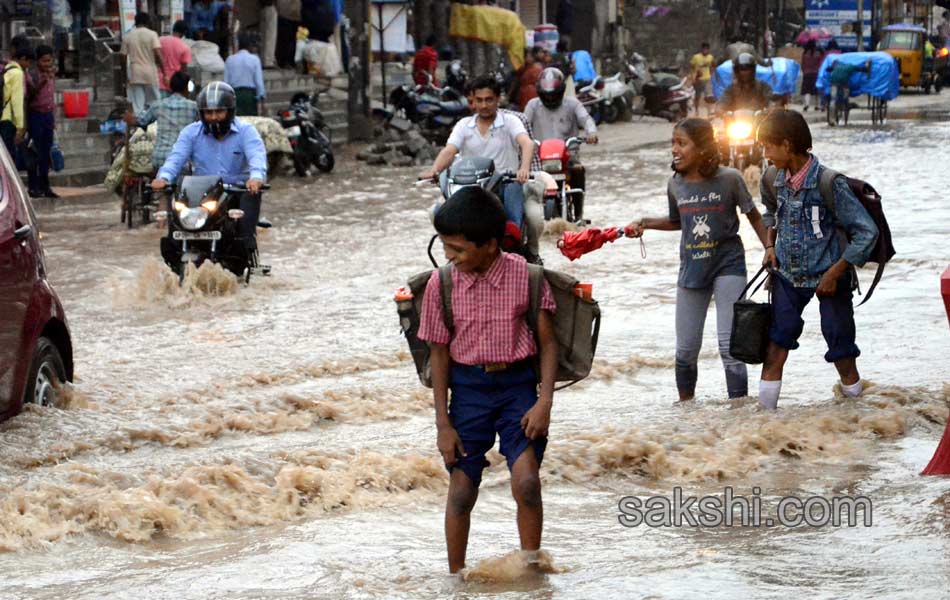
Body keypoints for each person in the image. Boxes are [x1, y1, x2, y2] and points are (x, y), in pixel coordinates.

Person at [417, 185, 558, 574]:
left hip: (517, 389)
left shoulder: (527, 278)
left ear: (491, 245)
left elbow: (548, 345)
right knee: (461, 492)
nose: (449, 256)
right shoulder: (440, 284)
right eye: (445, 246)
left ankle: (532, 571)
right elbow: (439, 354)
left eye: (458, 249)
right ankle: (456, 579)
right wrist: (443, 424)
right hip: (468, 392)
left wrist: (543, 402)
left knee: (527, 482)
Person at [624, 118, 770, 401]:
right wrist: (645, 223)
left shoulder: (730, 179)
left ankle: (738, 410)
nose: (674, 149)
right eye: (673, 143)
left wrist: (769, 249)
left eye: (681, 143)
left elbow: (753, 215)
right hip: (692, 268)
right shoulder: (674, 184)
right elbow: (679, 221)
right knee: (686, 350)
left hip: (728, 264)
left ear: (702, 148)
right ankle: (686, 408)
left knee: (729, 346)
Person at [756, 110, 879, 410]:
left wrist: (836, 272)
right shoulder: (772, 178)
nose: (764, 154)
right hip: (787, 275)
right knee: (775, 347)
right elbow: (770, 212)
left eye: (768, 147)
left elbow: (866, 232)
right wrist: (770, 245)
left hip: (828, 277)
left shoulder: (829, 183)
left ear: (787, 145)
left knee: (841, 350)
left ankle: (857, 417)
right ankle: (762, 424)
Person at [152, 81, 267, 262]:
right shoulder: (190, 132)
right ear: (201, 113)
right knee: (176, 223)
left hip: (238, 191)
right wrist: (163, 178)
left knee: (244, 235)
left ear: (230, 111)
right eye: (208, 112)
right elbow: (176, 158)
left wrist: (256, 178)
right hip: (203, 193)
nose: (213, 117)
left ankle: (244, 256)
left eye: (219, 112)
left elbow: (257, 158)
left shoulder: (247, 132)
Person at [420, 75, 535, 249]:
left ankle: (525, 250)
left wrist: (524, 169)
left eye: (489, 100)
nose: (483, 105)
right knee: (437, 213)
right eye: (479, 100)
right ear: (472, 101)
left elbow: (526, 143)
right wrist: (434, 170)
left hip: (505, 184)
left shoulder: (511, 121)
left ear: (498, 99)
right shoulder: (463, 125)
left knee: (523, 220)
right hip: (470, 187)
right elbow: (450, 150)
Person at [523, 67, 597, 220]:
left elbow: (586, 119)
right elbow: (522, 125)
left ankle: (578, 213)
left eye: (553, 95)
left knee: (578, 170)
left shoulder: (573, 104)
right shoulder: (532, 106)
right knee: (526, 179)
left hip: (568, 157)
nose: (550, 99)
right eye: (547, 95)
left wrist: (592, 133)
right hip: (540, 159)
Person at [125, 71, 199, 174]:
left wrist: (130, 118)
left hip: (159, 158)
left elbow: (141, 121)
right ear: (187, 87)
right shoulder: (194, 107)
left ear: (171, 87)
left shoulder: (158, 105)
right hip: (183, 160)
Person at [24, 45, 57, 198]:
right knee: (34, 152)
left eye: (49, 61)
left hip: (48, 116)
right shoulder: (32, 74)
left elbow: (52, 97)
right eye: (44, 61)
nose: (47, 64)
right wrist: (44, 80)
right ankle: (33, 186)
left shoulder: (51, 74)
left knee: (46, 152)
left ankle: (45, 185)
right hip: (35, 115)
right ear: (37, 61)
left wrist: (53, 119)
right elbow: (30, 94)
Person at [122, 13, 165, 115]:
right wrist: (164, 72)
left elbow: (123, 57)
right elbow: (158, 54)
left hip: (135, 72)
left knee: (138, 104)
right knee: (155, 101)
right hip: (150, 72)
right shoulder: (152, 34)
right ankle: (154, 124)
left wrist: (124, 75)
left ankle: (139, 127)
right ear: (148, 22)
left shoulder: (128, 36)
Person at [1, 45, 32, 158]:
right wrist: (20, 127)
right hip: (7, 120)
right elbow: (17, 102)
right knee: (9, 157)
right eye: (28, 62)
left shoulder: (5, 69)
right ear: (23, 58)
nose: (28, 66)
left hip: (1, 117)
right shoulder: (18, 73)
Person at [224, 34, 266, 116]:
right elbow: (259, 82)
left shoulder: (230, 60)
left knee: (236, 121)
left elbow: (226, 83)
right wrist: (262, 100)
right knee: (250, 122)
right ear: (249, 46)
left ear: (238, 46)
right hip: (250, 96)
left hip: (234, 95)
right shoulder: (254, 59)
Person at [159, 21, 192, 99]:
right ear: (183, 33)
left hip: (160, 81)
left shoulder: (160, 41)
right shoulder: (184, 47)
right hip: (176, 84)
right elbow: (184, 68)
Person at [509, 46, 545, 111]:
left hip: (531, 96)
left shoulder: (536, 69)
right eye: (527, 56)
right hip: (524, 97)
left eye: (530, 56)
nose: (529, 58)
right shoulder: (523, 69)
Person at [689, 42, 714, 116]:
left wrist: (712, 74)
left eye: (707, 49)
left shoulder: (710, 57)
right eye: (704, 49)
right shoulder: (696, 57)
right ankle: (696, 110)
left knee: (708, 96)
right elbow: (691, 66)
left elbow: (712, 66)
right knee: (697, 96)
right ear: (701, 49)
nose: (705, 51)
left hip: (707, 79)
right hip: (698, 79)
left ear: (708, 50)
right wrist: (693, 75)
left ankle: (709, 112)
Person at [800, 40, 824, 112]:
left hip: (807, 74)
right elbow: (820, 64)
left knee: (807, 90)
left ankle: (807, 104)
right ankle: (817, 105)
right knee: (817, 90)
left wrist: (804, 71)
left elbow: (802, 64)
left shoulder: (805, 54)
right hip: (816, 73)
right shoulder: (817, 54)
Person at [260, 0, 278, 69]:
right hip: (270, 7)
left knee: (264, 37)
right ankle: (268, 61)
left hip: (263, 8)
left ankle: (264, 60)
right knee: (270, 36)